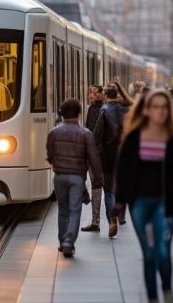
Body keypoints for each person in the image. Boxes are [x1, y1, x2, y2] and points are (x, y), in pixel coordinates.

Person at [115, 88, 173, 303]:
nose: (160, 111)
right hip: (140, 204)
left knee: (163, 253)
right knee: (148, 254)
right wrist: (119, 201)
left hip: (165, 204)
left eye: (164, 107)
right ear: (146, 110)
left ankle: (166, 291)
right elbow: (124, 171)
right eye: (155, 107)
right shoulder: (134, 137)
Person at [45, 98, 103, 258]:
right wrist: (98, 179)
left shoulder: (53, 133)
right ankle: (68, 242)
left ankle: (62, 240)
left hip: (59, 176)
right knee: (74, 210)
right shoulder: (86, 134)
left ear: (61, 114)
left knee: (62, 210)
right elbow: (94, 159)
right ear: (79, 114)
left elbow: (50, 155)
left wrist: (57, 164)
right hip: (77, 177)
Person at [93, 85, 129, 237]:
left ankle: (112, 219)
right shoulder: (127, 111)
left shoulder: (104, 110)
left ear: (106, 96)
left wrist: (97, 152)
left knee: (109, 191)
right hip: (125, 155)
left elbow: (97, 135)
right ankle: (121, 215)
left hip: (108, 155)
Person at [81, 85, 104, 233]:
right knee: (99, 185)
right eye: (91, 92)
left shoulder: (104, 109)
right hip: (95, 152)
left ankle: (97, 221)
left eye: (96, 92)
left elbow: (94, 133)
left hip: (99, 153)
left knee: (98, 185)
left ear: (102, 94)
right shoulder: (91, 108)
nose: (92, 94)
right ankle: (107, 218)